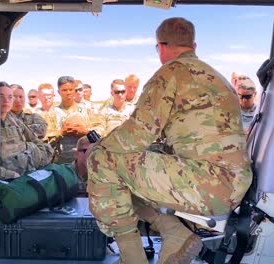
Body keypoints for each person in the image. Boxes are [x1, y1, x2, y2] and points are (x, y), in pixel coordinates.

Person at [86, 17, 252, 264]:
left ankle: (133, 258)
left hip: (209, 183)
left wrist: (97, 148)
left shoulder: (171, 74)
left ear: (161, 47)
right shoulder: (217, 78)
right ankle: (174, 232)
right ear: (193, 45)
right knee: (127, 171)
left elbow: (136, 135)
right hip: (228, 181)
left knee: (102, 161)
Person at [0, 82, 54, 179]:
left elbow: (36, 139)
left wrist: (36, 158)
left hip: (26, 174)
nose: (6, 101)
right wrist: (6, 174)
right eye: (0, 96)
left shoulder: (16, 122)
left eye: (10, 97)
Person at [53, 76, 103, 164]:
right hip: (61, 162)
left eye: (71, 90)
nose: (68, 93)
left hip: (85, 160)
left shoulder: (87, 110)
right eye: (64, 90)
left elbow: (101, 132)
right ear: (58, 92)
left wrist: (85, 132)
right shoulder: (52, 113)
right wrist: (61, 132)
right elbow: (46, 139)